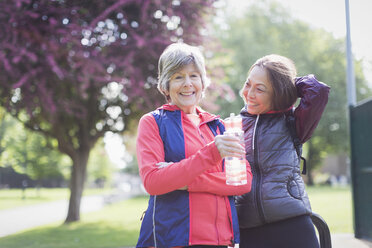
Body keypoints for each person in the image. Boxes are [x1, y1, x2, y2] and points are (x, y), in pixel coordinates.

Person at [136, 43, 252, 248]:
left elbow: (242, 182)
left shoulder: (220, 127)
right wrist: (211, 153)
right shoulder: (153, 122)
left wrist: (186, 183)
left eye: (194, 75)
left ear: (203, 82)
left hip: (221, 241)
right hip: (172, 240)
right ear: (165, 85)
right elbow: (153, 181)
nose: (188, 83)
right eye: (178, 77)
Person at [235, 54, 330, 248]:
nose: (249, 93)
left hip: (291, 224)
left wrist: (286, 82)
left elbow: (318, 91)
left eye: (260, 89)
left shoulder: (293, 122)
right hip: (249, 229)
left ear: (278, 94)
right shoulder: (235, 125)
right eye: (248, 84)